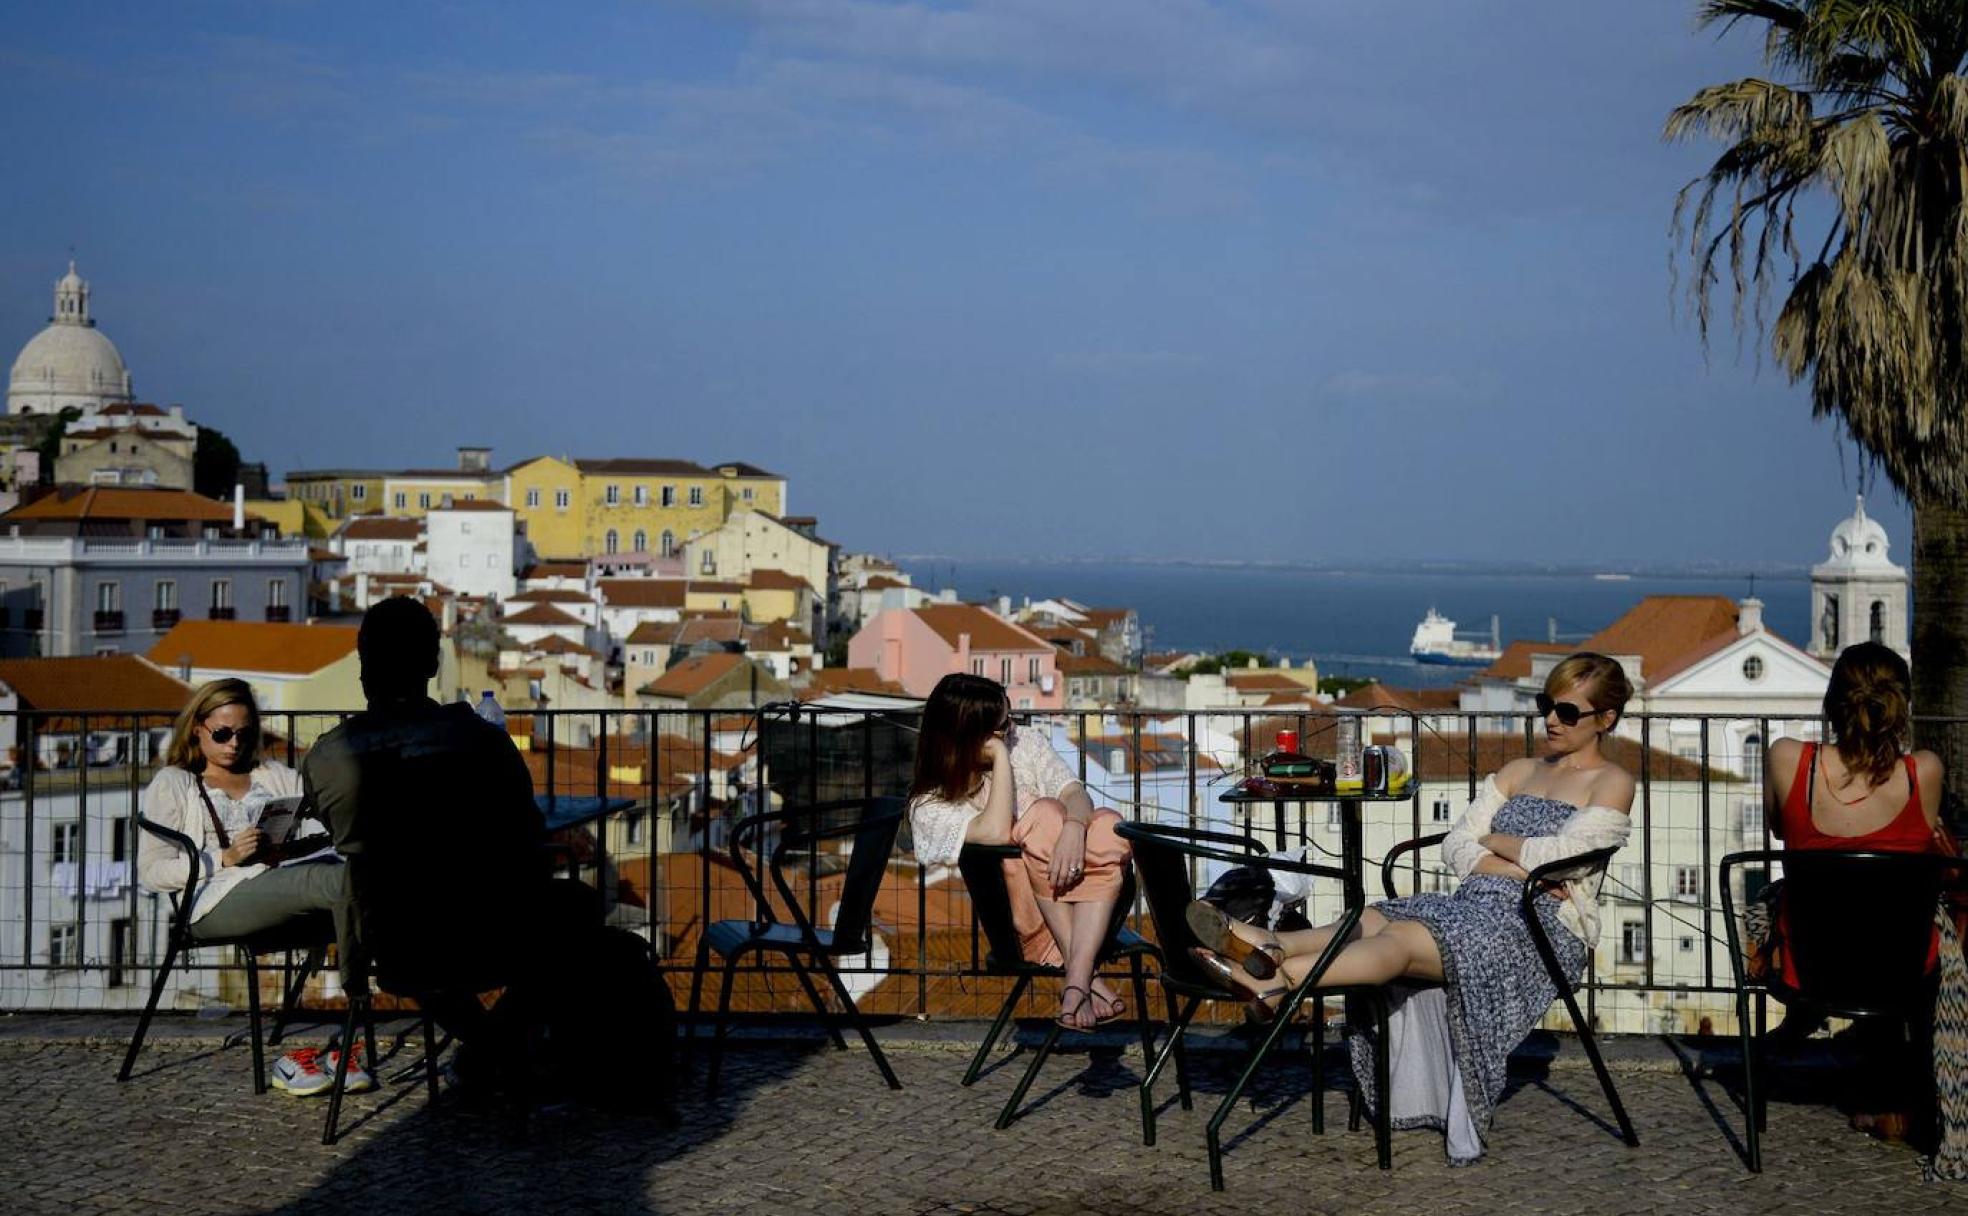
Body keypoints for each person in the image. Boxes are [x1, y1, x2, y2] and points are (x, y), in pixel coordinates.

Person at [1192, 652, 1636, 1163]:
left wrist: (1496, 844)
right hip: (1472, 906)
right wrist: (1512, 857)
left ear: (1606, 719)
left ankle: (1279, 976)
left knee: (1398, 941)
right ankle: (1272, 946)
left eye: (1568, 712)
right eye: (1546, 706)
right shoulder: (1520, 769)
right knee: (1373, 915)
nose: (1551, 720)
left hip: (1536, 929)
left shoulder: (1612, 782)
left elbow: (1557, 861)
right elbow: (1457, 848)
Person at [302, 596, 548, 1039]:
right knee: (580, 923)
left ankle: (487, 1050)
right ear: (434, 665)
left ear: (363, 666)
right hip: (496, 932)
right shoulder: (484, 743)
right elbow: (528, 832)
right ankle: (495, 1048)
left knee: (433, 967)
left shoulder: (327, 757)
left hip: (394, 941)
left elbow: (336, 833)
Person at [135, 678, 370, 1097]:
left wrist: (300, 838)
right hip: (214, 901)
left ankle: (385, 986)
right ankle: (364, 994)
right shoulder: (175, 783)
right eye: (222, 734)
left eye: (243, 734)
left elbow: (325, 824)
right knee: (337, 880)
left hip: (281, 883)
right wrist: (222, 858)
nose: (233, 745)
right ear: (197, 728)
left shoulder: (272, 775)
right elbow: (151, 871)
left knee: (355, 871)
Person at [1758, 641, 1950, 1146]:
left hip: (1813, 963)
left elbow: (1780, 828)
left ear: (1832, 704)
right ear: (1900, 705)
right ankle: (1896, 1093)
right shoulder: (1923, 771)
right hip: (1899, 966)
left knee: (1794, 898)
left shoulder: (1787, 758)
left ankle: (1804, 1017)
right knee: (1892, 911)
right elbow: (1918, 840)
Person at [907, 673, 1133, 1030]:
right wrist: (998, 758)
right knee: (1043, 813)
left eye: (1010, 719)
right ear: (971, 738)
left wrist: (1074, 828)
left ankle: (1076, 981)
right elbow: (997, 831)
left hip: (1092, 910)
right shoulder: (930, 805)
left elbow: (1075, 794)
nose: (1012, 729)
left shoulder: (1024, 742)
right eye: (1001, 728)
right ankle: (1084, 977)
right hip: (1026, 931)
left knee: (1107, 822)